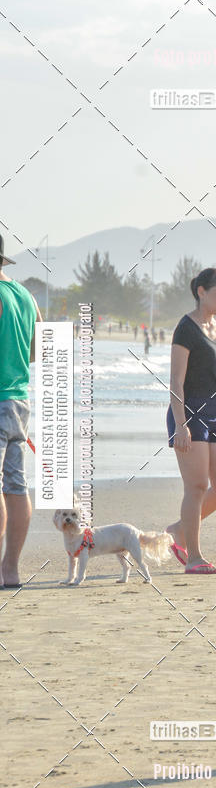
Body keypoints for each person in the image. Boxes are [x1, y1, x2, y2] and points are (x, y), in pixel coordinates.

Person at [166, 268, 216, 574]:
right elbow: (176, 382)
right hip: (190, 412)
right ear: (201, 292)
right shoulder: (186, 328)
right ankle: (193, 556)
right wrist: (180, 424)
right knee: (196, 487)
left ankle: (178, 530)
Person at [0, 235, 42, 588]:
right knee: (15, 485)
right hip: (19, 400)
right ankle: (10, 569)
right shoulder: (24, 295)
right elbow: (37, 348)